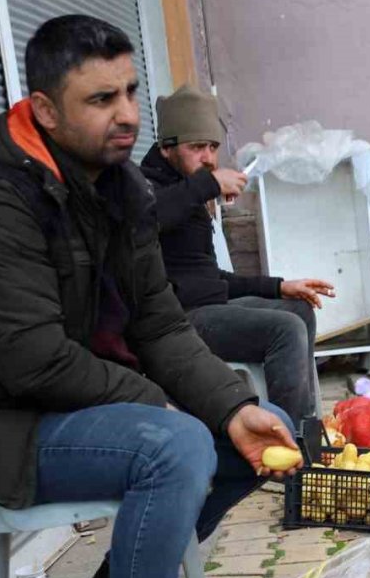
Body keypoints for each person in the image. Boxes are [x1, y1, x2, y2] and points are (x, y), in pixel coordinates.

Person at [0, 14, 299, 578]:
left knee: (255, 427)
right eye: (101, 100)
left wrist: (233, 403)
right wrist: (152, 402)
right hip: (10, 426)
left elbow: (161, 324)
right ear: (44, 110)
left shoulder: (117, 187)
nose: (127, 114)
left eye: (131, 91)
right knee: (174, 443)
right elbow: (32, 362)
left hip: (82, 406)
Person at [139, 84, 333, 427]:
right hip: (175, 324)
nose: (209, 159)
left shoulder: (189, 189)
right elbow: (146, 220)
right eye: (196, 147)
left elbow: (210, 279)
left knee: (298, 309)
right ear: (167, 148)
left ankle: (307, 428)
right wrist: (209, 185)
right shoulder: (145, 187)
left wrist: (278, 287)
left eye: (212, 147)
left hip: (208, 307)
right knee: (284, 328)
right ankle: (292, 450)